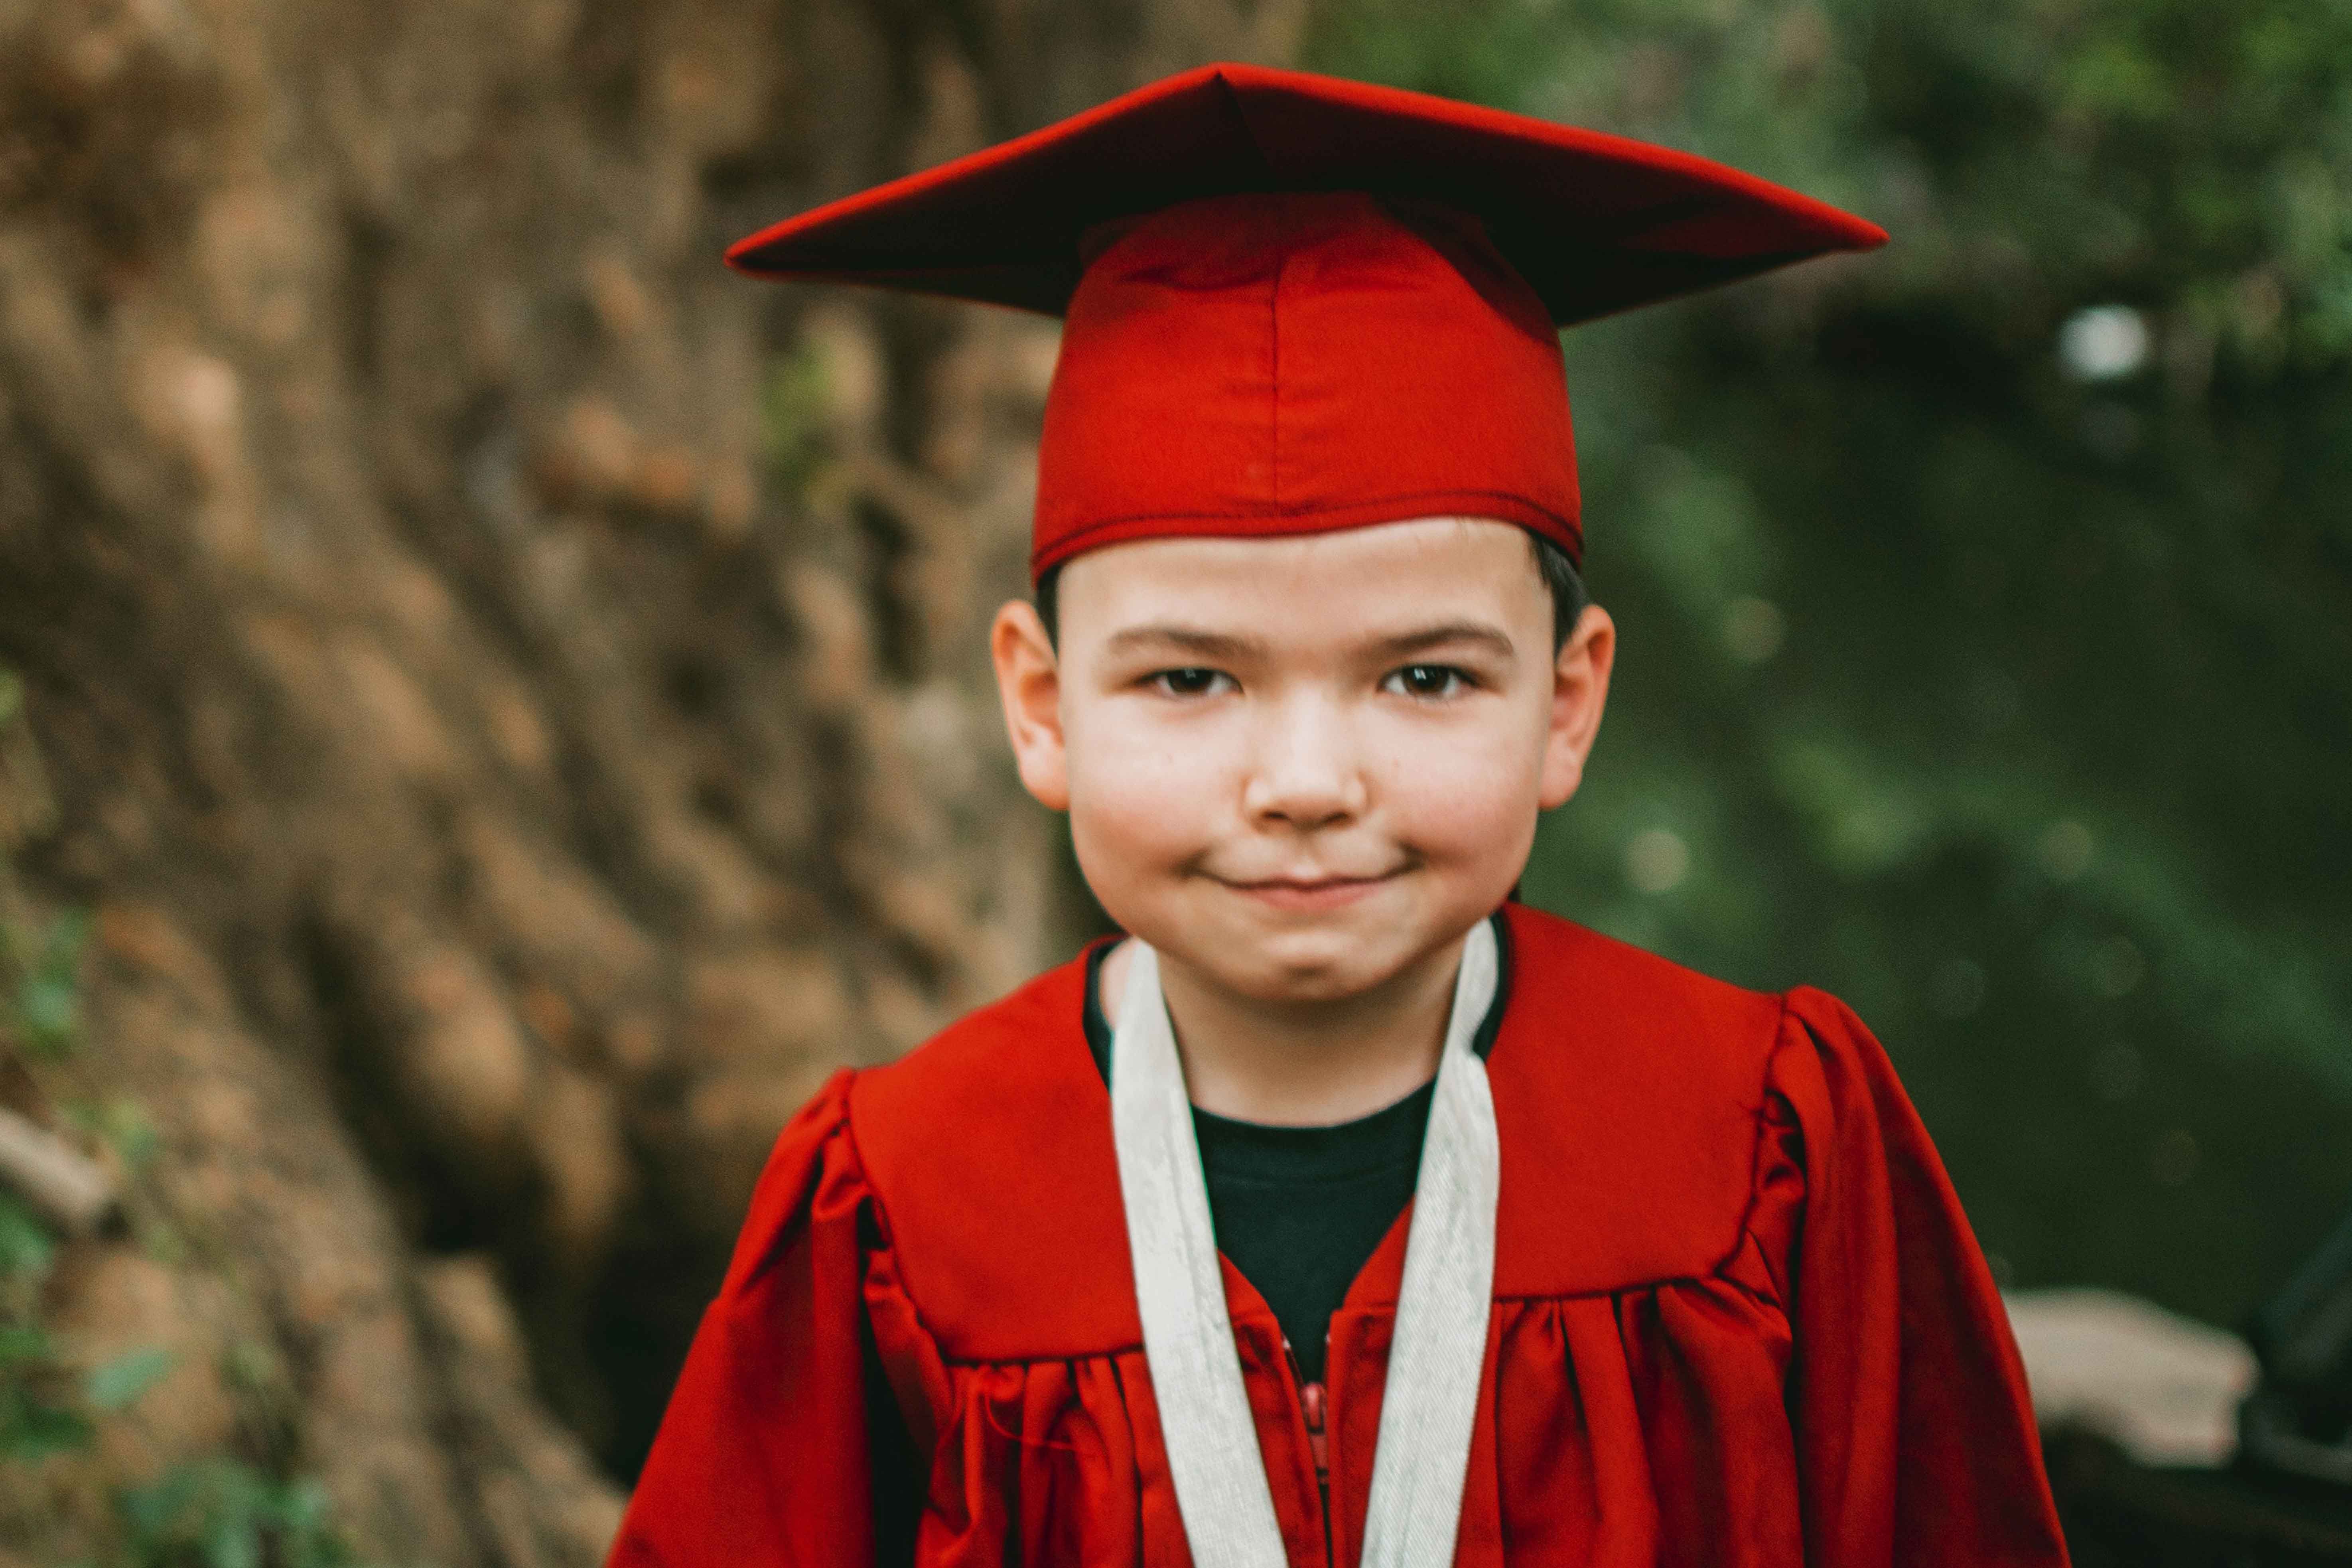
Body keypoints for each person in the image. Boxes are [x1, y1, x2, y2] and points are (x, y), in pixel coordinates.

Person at [607, 63, 2070, 1568]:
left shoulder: (1761, 1141)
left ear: (1566, 704)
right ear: (1040, 708)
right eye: (1190, 678)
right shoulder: (902, 1203)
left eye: (1423, 676)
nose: (1306, 780)